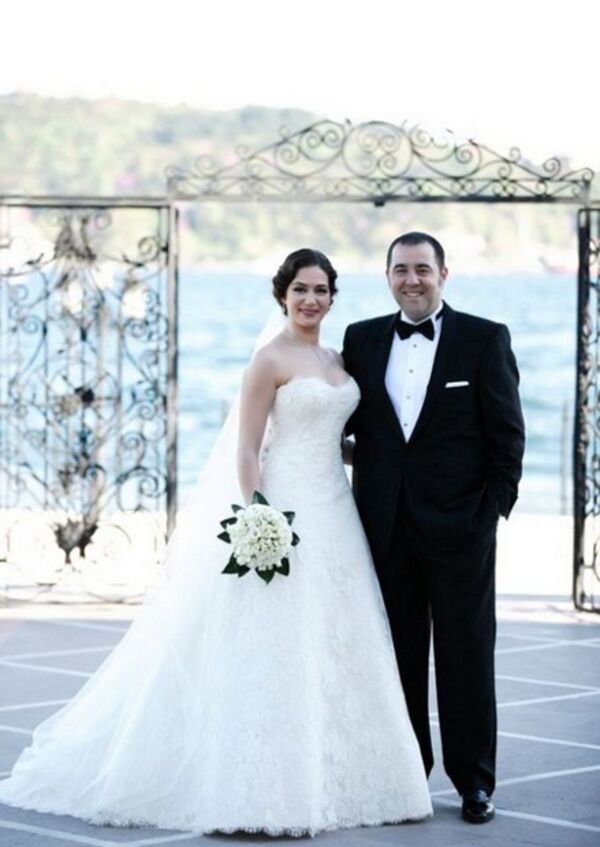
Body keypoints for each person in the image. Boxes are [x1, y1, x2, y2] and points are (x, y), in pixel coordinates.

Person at [0, 248, 432, 837]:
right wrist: (260, 517)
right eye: (300, 289)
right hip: (283, 507)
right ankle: (263, 791)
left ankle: (346, 780)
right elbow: (247, 449)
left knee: (337, 639)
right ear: (282, 295)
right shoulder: (268, 359)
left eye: (320, 290)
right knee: (277, 645)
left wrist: (395, 460)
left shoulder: (337, 357)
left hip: (336, 511)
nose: (310, 300)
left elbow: (336, 440)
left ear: (333, 297)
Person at [342, 232, 525, 825]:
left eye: (423, 268)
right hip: (385, 527)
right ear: (387, 276)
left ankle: (474, 782)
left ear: (444, 273)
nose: (412, 280)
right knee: (396, 657)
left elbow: (507, 436)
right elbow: (350, 428)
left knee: (466, 656)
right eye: (401, 269)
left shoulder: (485, 338)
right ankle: (406, 776)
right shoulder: (361, 339)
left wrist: (489, 513)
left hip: (461, 530)